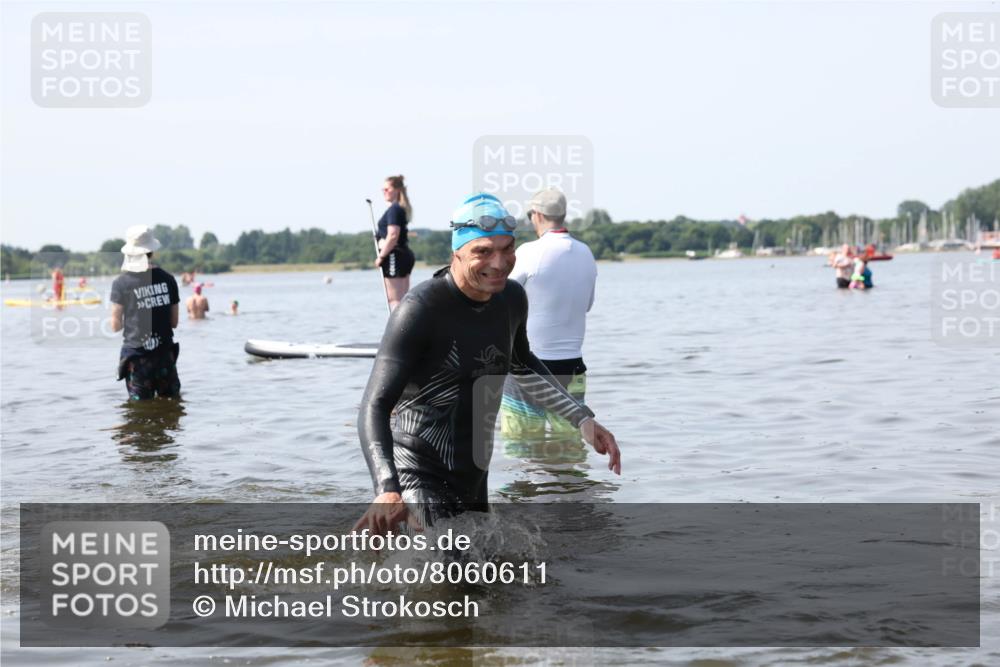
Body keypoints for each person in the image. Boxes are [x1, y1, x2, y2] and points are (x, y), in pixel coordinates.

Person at [355, 193, 621, 534]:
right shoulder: (421, 308)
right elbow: (374, 406)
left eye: (507, 248)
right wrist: (386, 490)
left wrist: (583, 420)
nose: (499, 263)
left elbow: (522, 363)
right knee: (453, 576)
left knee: (496, 579)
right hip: (417, 476)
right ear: (457, 252)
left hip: (474, 479)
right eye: (483, 251)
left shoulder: (511, 299)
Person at [500, 187, 597, 439]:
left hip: (529, 369)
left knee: (521, 453)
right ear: (563, 215)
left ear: (537, 215)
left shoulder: (528, 252)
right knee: (569, 451)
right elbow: (587, 305)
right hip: (573, 368)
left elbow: (500, 299)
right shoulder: (586, 253)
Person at [109, 226, 181, 400]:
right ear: (151, 252)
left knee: (139, 412)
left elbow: (115, 326)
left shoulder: (121, 283)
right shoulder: (168, 279)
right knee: (171, 405)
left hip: (138, 358)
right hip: (164, 355)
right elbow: (174, 322)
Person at [374, 175, 416, 310]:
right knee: (402, 298)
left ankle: (399, 329)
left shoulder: (394, 209)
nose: (384, 192)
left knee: (394, 299)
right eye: (383, 190)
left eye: (387, 189)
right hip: (402, 255)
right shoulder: (399, 208)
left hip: (394, 256)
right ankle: (405, 328)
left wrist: (381, 257)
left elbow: (393, 235)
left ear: (397, 190)